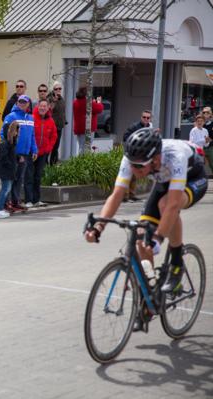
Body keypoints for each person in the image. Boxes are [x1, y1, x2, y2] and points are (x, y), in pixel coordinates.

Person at [85, 128, 208, 330]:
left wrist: (159, 238)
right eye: (131, 164)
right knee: (141, 237)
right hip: (163, 180)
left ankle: (176, 263)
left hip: (193, 177)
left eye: (139, 166)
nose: (134, 170)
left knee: (166, 205)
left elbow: (173, 205)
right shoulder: (132, 160)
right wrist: (99, 227)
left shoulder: (175, 156)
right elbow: (116, 196)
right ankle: (149, 299)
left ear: (156, 159)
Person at [1, 95, 37, 211]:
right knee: (10, 179)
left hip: (25, 154)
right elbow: (3, 134)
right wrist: (11, 148)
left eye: (24, 102)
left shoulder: (31, 118)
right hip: (13, 153)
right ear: (17, 103)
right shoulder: (11, 116)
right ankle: (6, 203)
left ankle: (15, 201)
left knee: (19, 179)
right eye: (20, 102)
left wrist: (34, 149)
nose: (22, 104)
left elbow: (32, 136)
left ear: (28, 104)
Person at [26, 99, 57, 207]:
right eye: (41, 106)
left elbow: (54, 136)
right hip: (31, 153)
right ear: (37, 106)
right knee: (29, 176)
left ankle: (36, 200)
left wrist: (48, 148)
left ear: (48, 107)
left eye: (45, 106)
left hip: (43, 153)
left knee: (38, 177)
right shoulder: (32, 118)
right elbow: (28, 135)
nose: (43, 108)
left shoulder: (51, 121)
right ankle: (28, 200)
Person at [122, 110, 153, 202]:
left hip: (140, 155)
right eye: (144, 117)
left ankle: (132, 195)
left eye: (148, 117)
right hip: (131, 153)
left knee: (134, 175)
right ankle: (125, 196)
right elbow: (125, 137)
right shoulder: (135, 126)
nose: (146, 119)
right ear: (141, 117)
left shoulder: (150, 127)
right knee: (128, 174)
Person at [0, 122, 18, 219]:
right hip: (6, 171)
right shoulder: (5, 144)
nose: (17, 133)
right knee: (5, 190)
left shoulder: (11, 143)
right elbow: (3, 159)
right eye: (16, 131)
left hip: (9, 171)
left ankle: (0, 209)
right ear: (12, 131)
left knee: (6, 189)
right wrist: (11, 165)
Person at [73, 87, 103, 152]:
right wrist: (98, 101)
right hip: (87, 128)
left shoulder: (75, 102)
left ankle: (80, 161)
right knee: (85, 148)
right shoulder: (88, 103)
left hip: (79, 129)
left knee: (81, 146)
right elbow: (100, 108)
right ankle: (82, 161)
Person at [47, 81, 66, 165]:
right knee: (49, 146)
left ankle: (53, 164)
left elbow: (62, 111)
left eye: (60, 88)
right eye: (56, 89)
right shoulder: (50, 98)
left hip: (59, 126)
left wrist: (64, 120)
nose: (58, 90)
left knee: (56, 147)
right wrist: (54, 101)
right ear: (53, 90)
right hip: (51, 127)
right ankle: (45, 164)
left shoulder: (61, 99)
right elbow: (49, 109)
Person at [202, 106, 213, 172]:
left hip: (210, 147)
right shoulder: (200, 123)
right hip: (200, 147)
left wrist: (211, 140)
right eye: (204, 112)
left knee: (212, 164)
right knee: (198, 164)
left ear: (210, 114)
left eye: (207, 112)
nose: (205, 114)